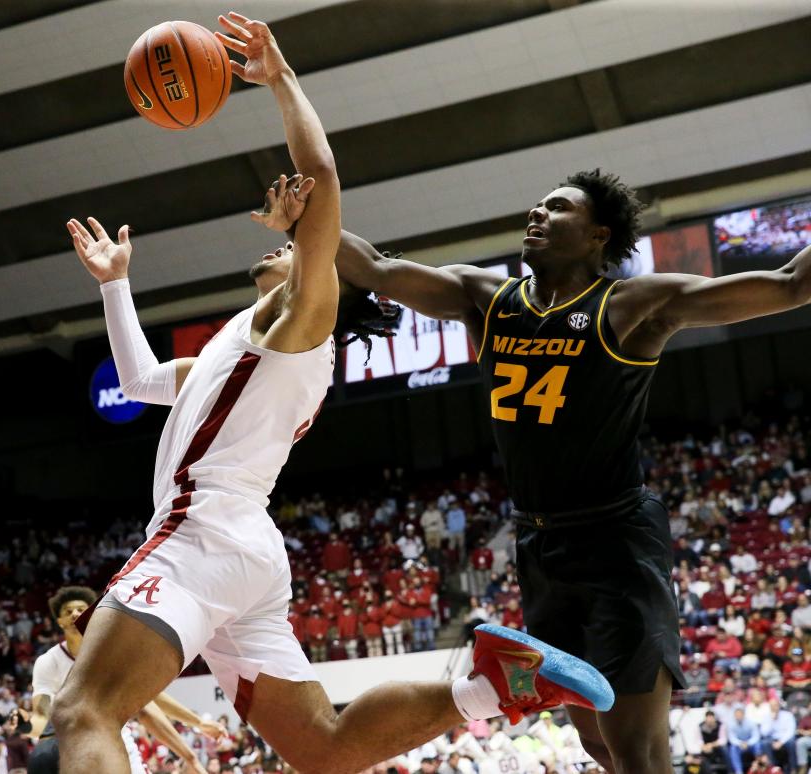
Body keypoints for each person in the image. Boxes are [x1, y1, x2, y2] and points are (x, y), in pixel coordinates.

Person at [54, 13, 613, 774]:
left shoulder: (302, 324)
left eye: (300, 250)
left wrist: (279, 78)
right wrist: (116, 286)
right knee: (323, 746)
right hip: (245, 550)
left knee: (82, 709)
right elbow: (141, 382)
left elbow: (321, 175)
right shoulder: (250, 346)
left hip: (204, 530)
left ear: (324, 286)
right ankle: (487, 687)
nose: (285, 245)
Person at [335, 159, 811, 772]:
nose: (538, 212)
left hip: (617, 544)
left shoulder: (632, 305)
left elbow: (791, 285)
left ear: (598, 236)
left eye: (558, 207)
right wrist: (305, 218)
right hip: (540, 546)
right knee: (594, 743)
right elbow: (371, 268)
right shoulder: (486, 297)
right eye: (538, 204)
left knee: (637, 749)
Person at [11, 586, 220, 774]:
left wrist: (198, 723)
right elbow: (42, 720)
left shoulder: (112, 655)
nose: (75, 614)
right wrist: (27, 725)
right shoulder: (48, 662)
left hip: (116, 742)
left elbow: (150, 699)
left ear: (92, 614)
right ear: (60, 621)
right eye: (68, 611)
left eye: (81, 609)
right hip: (72, 749)